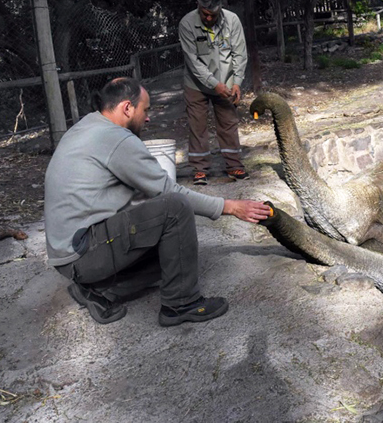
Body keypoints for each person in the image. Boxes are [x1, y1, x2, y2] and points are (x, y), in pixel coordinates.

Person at [44, 77, 270, 326]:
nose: (148, 117)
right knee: (175, 207)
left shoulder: (87, 125)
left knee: (177, 257)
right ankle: (181, 303)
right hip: (82, 253)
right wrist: (230, 206)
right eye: (146, 109)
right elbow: (167, 191)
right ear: (127, 108)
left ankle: (98, 289)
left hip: (70, 255)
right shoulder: (117, 139)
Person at [179, 0, 249, 186]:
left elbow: (240, 54)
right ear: (198, 7)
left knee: (229, 123)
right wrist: (214, 84)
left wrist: (237, 82)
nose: (208, 18)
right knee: (197, 125)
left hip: (226, 81)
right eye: (204, 13)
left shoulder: (232, 20)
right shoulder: (186, 23)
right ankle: (200, 169)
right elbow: (193, 62)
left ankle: (234, 165)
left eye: (213, 15)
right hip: (196, 84)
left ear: (220, 10)